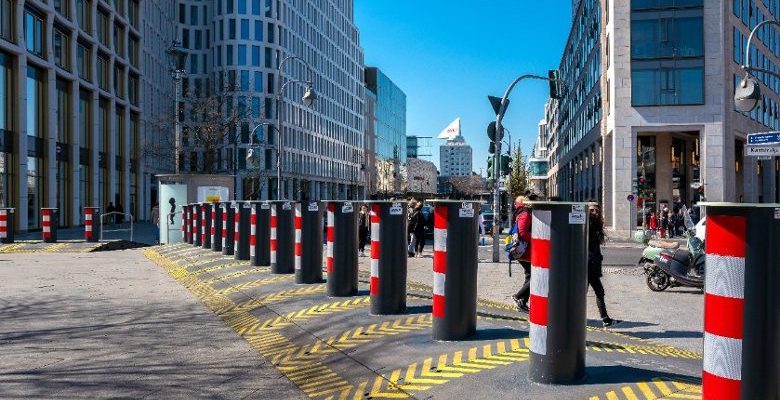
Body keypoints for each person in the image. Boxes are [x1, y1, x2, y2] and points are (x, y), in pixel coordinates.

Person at [588, 202, 617, 327]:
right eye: (592, 210)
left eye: (597, 211)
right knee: (595, 291)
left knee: (599, 291)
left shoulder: (595, 225)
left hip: (593, 264)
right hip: (587, 265)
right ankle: (604, 318)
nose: (595, 213)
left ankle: (605, 318)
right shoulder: (587, 224)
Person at [510, 193, 534, 312]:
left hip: (522, 250)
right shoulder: (524, 213)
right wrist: (535, 239)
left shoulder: (519, 212)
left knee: (529, 275)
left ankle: (522, 302)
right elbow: (523, 232)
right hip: (525, 250)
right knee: (535, 277)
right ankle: (518, 296)